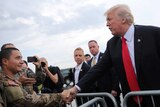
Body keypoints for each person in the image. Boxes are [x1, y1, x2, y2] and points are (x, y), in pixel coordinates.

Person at [67, 4, 160, 107]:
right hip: (132, 101)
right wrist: (76, 88)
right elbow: (98, 69)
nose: (107, 24)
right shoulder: (112, 44)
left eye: (109, 19)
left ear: (123, 19)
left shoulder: (153, 34)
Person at [0, 47, 71, 107]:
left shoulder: (13, 77)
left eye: (21, 58)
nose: (22, 62)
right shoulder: (7, 83)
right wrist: (59, 96)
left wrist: (39, 67)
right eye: (17, 58)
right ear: (5, 61)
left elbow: (37, 80)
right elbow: (28, 101)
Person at [87, 40, 121, 107]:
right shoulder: (89, 62)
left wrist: (114, 88)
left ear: (98, 47)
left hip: (110, 91)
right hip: (98, 92)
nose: (92, 49)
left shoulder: (106, 57)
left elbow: (114, 73)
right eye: (90, 48)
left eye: (93, 47)